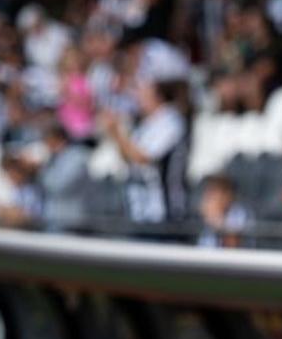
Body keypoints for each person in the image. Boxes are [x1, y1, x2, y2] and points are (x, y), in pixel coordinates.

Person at [102, 80, 189, 227]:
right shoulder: (147, 123)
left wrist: (117, 133)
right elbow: (127, 156)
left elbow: (144, 158)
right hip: (138, 207)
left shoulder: (171, 121)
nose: (137, 98)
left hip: (162, 209)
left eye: (143, 92)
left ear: (158, 96)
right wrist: (114, 133)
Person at [35, 124, 90, 234]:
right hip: (52, 220)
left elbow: (59, 186)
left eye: (48, 140)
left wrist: (38, 170)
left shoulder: (77, 157)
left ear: (57, 138)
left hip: (70, 222)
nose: (46, 144)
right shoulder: (53, 158)